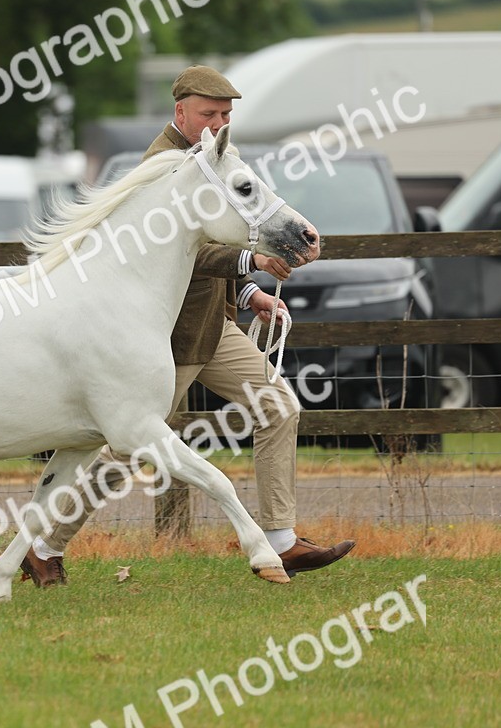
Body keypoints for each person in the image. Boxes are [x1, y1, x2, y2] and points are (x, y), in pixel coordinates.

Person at [20, 66, 355, 587]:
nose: (217, 124)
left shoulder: (215, 160)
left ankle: (283, 539)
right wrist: (252, 266)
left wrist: (248, 294)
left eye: (225, 116)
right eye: (208, 114)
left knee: (279, 408)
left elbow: (217, 242)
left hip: (213, 329)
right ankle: (43, 546)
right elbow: (184, 253)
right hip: (163, 339)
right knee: (126, 450)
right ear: (180, 112)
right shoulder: (162, 166)